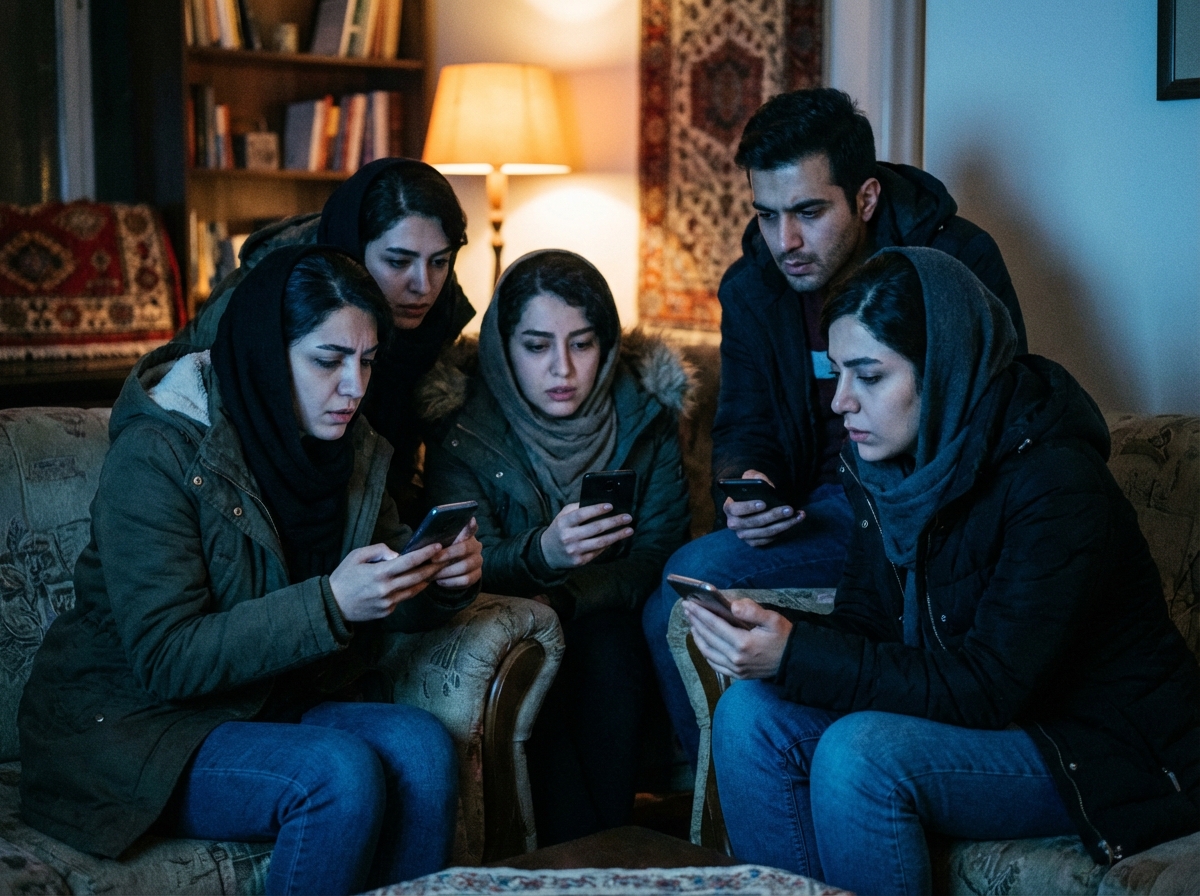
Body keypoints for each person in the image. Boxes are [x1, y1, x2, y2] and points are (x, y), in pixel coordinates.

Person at [684, 247, 1200, 894]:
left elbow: (992, 684)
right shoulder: (889, 470)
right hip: (997, 717)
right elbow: (866, 625)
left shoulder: (1057, 482)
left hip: (1102, 745)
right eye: (836, 374)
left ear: (945, 368)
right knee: (750, 714)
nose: (841, 401)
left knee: (859, 756)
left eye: (868, 377)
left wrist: (793, 654)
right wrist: (771, 632)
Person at [18, 246, 485, 895]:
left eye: (368, 360)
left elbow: (375, 582)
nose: (354, 386)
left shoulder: (347, 444)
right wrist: (330, 604)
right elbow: (167, 657)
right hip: (131, 727)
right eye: (328, 360)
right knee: (336, 775)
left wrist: (439, 580)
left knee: (423, 749)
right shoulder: (160, 453)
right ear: (269, 355)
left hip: (264, 704)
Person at [643, 87, 1029, 767]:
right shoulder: (752, 285)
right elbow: (743, 420)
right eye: (767, 215)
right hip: (813, 511)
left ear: (868, 199)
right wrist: (747, 484)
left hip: (920, 514)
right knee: (680, 592)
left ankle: (813, 768)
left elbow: (994, 415)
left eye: (809, 212)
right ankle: (725, 791)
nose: (784, 240)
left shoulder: (954, 263)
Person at [420, 250, 692, 845]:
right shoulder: (460, 421)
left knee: (607, 649)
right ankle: (579, 867)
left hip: (606, 622)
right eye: (537, 346)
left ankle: (603, 860)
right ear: (503, 346)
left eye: (582, 343)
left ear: (608, 345)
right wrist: (541, 553)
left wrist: (569, 595)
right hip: (506, 623)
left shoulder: (646, 412)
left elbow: (659, 551)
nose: (562, 369)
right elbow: (465, 555)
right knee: (539, 659)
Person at [177, 158, 475, 516]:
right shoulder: (262, 305)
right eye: (398, 262)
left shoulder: (443, 307)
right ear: (355, 247)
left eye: (440, 262)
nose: (423, 286)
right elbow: (210, 440)